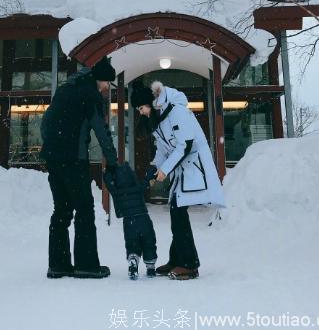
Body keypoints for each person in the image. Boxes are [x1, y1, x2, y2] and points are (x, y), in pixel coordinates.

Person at [130, 81, 225, 280]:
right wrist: (154, 167)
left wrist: (164, 171)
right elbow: (164, 150)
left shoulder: (177, 112)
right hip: (182, 170)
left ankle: (189, 265)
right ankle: (177, 259)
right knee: (176, 212)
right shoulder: (159, 119)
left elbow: (185, 145)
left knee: (178, 213)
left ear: (150, 102)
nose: (141, 112)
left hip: (193, 168)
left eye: (141, 108)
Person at [40, 56, 118, 279]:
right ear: (100, 79)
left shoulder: (65, 90)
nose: (106, 88)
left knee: (61, 211)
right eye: (106, 83)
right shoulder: (91, 96)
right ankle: (86, 265)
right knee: (84, 209)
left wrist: (53, 147)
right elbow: (101, 131)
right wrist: (112, 161)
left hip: (54, 158)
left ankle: (58, 264)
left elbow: (45, 123)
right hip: (74, 160)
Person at [103, 162, 158, 280]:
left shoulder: (117, 192)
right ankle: (150, 266)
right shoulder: (138, 187)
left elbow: (108, 182)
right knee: (149, 242)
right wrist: (152, 170)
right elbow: (147, 179)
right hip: (144, 219)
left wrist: (107, 172)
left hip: (129, 222)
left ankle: (133, 260)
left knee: (132, 243)